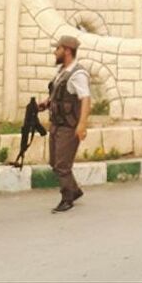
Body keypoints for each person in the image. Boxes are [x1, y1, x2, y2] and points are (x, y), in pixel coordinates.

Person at [37, 35, 92, 213]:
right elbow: (58, 94)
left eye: (58, 49)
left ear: (67, 50)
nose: (55, 52)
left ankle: (67, 197)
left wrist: (82, 124)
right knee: (54, 162)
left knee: (62, 165)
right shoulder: (62, 71)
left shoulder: (78, 74)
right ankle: (74, 190)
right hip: (57, 124)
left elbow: (85, 99)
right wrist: (46, 103)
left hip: (68, 126)